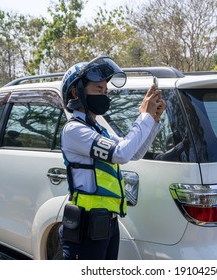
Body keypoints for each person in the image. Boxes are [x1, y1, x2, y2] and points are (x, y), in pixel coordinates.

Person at [59, 56, 166, 260]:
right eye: (98, 90)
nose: (104, 95)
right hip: (85, 225)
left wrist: (153, 119)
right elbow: (120, 154)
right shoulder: (74, 130)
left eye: (106, 91)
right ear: (76, 92)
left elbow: (133, 152)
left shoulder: (99, 130)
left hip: (107, 223)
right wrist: (143, 116)